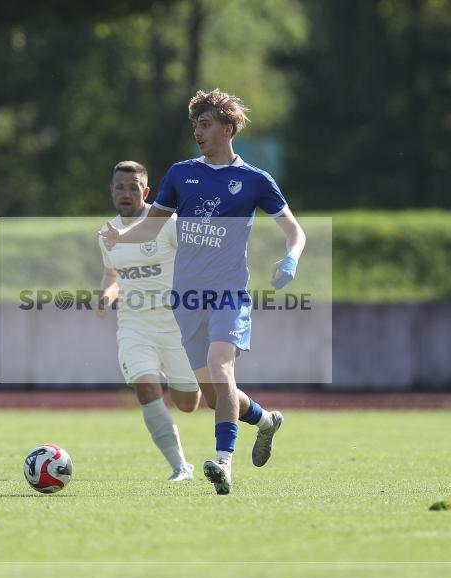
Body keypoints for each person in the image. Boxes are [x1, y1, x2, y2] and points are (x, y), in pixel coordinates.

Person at [101, 90, 306, 495]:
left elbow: (294, 232)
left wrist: (291, 260)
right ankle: (265, 421)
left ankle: (224, 463)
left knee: (221, 367)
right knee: (213, 397)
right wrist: (120, 234)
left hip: (229, 295)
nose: (199, 131)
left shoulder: (255, 180)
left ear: (228, 129)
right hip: (186, 301)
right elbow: (152, 227)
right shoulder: (180, 174)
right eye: (196, 124)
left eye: (206, 124)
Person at [96, 160, 204, 482]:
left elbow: (196, 260)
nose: (126, 193)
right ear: (112, 191)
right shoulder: (106, 234)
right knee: (145, 387)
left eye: (133, 188)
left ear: (146, 191)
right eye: (120, 187)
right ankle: (180, 466)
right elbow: (112, 273)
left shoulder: (167, 223)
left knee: (188, 403)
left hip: (177, 326)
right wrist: (108, 294)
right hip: (134, 325)